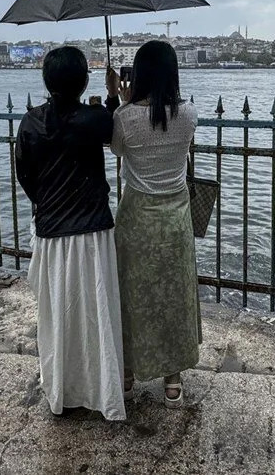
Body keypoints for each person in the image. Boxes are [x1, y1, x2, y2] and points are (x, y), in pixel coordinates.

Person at [15, 46, 125, 420]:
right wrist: (112, 94)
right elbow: (116, 128)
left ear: (47, 81)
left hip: (51, 230)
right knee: (96, 312)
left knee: (57, 314)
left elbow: (25, 177)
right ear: (83, 80)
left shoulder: (30, 122)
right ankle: (101, 386)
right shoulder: (94, 119)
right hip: (92, 230)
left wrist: (47, 202)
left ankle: (62, 386)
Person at [110, 40, 200, 408]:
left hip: (136, 218)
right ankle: (172, 381)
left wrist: (120, 100)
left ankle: (129, 373)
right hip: (176, 218)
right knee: (174, 297)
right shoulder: (189, 114)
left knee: (132, 295)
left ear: (139, 74)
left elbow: (118, 150)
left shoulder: (125, 117)